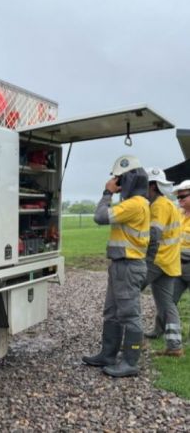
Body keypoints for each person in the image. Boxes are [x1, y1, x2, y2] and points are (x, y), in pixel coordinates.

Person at [82, 155, 150, 377]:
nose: (116, 182)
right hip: (121, 264)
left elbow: (100, 216)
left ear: (128, 181)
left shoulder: (134, 204)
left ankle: (130, 362)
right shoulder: (134, 204)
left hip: (128, 265)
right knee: (112, 312)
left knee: (129, 314)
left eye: (119, 179)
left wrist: (107, 192)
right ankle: (108, 355)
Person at [140, 168, 183, 357]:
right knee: (167, 305)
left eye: (143, 187)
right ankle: (175, 346)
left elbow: (154, 234)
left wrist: (142, 256)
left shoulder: (158, 205)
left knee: (129, 293)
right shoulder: (170, 204)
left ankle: (134, 341)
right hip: (170, 262)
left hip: (157, 260)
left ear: (152, 186)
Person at [173, 180, 190, 307]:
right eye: (178, 197)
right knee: (167, 303)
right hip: (177, 266)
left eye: (183, 196)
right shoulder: (178, 214)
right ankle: (166, 327)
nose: (179, 199)